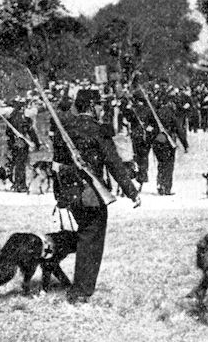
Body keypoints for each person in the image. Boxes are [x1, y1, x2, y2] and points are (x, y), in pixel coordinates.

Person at [50, 89, 141, 304]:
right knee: (92, 240)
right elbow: (114, 163)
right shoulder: (98, 130)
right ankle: (81, 291)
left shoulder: (65, 129)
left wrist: (59, 195)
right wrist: (131, 191)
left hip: (71, 192)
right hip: (91, 193)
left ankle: (79, 286)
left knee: (85, 236)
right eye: (99, 104)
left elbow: (57, 165)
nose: (101, 109)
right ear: (92, 106)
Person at [150, 93, 189, 196]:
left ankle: (160, 184)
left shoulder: (156, 113)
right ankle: (166, 187)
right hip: (168, 141)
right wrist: (185, 144)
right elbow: (179, 130)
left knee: (161, 164)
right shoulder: (172, 113)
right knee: (168, 165)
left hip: (157, 141)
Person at [5, 98, 41, 192]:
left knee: (15, 164)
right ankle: (20, 184)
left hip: (14, 144)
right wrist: (36, 143)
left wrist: (11, 142)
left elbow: (8, 133)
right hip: (22, 144)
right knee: (21, 164)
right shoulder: (25, 119)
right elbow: (31, 132)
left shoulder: (11, 118)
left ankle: (16, 183)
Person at [121, 92, 153, 191]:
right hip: (146, 136)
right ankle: (143, 175)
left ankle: (135, 173)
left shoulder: (133, 109)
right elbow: (152, 123)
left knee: (136, 155)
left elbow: (127, 120)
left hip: (135, 136)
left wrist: (126, 108)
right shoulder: (148, 110)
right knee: (144, 156)